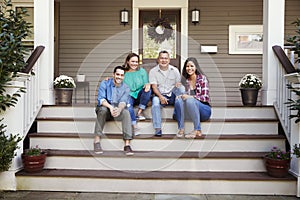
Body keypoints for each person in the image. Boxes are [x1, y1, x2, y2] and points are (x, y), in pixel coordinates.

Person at [93, 65, 134, 155]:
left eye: (121, 75)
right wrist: (111, 107)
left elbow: (123, 101)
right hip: (106, 109)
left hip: (117, 110)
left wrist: (119, 109)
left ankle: (127, 144)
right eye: (117, 74)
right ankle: (97, 141)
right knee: (103, 109)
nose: (119, 77)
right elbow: (101, 99)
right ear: (113, 74)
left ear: (124, 76)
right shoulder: (105, 83)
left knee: (126, 112)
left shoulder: (126, 88)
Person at [174, 57, 211, 139]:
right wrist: (178, 92)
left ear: (196, 67)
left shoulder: (202, 78)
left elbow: (205, 97)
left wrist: (191, 97)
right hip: (191, 112)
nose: (189, 68)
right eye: (187, 66)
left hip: (204, 110)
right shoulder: (184, 81)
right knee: (178, 100)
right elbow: (183, 98)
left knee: (190, 100)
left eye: (192, 66)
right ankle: (181, 128)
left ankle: (197, 130)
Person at [149, 50, 184, 137]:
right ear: (158, 59)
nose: (163, 60)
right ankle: (158, 129)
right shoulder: (153, 71)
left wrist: (178, 87)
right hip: (160, 94)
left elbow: (178, 84)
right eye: (161, 58)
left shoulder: (175, 70)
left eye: (166, 58)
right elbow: (154, 87)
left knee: (180, 98)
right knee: (155, 103)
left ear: (169, 60)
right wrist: (160, 96)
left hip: (172, 95)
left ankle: (181, 127)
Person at [123, 53, 152, 135]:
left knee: (148, 90)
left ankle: (140, 111)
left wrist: (147, 84)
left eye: (136, 62)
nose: (134, 64)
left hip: (140, 95)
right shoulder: (124, 72)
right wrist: (109, 79)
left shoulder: (142, 71)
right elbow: (116, 79)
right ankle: (135, 126)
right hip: (129, 95)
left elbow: (146, 83)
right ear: (128, 61)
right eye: (132, 61)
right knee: (128, 105)